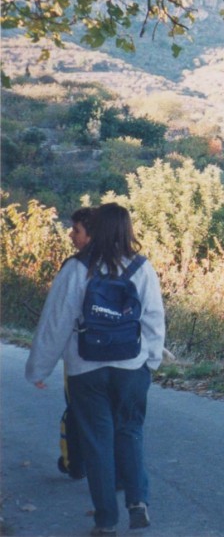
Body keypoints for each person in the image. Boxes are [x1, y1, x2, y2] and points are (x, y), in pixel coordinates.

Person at [26, 203, 166, 536]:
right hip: (131, 366)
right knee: (130, 432)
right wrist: (152, 360)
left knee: (97, 443)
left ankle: (105, 521)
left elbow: (55, 324)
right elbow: (154, 318)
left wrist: (38, 370)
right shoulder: (141, 269)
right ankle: (137, 501)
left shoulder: (76, 269)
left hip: (85, 369)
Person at [57, 206, 95, 481]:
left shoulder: (74, 266)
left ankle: (74, 462)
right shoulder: (125, 264)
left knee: (76, 410)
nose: (71, 235)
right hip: (118, 356)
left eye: (76, 231)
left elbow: (58, 315)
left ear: (91, 235)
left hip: (79, 355)